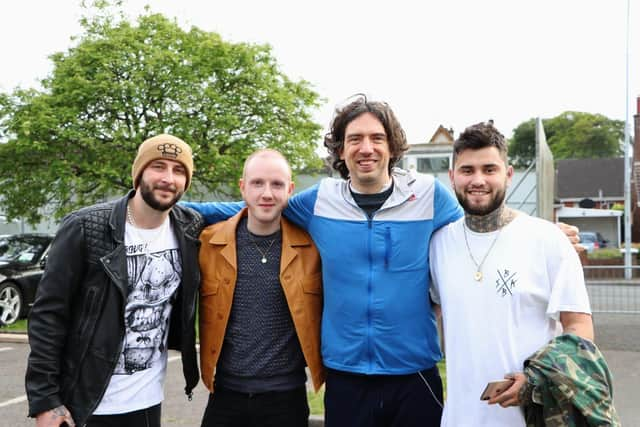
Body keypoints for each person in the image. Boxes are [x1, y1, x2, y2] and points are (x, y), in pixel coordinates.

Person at [184, 95, 581, 426]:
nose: (366, 147)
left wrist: (544, 234)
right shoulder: (319, 201)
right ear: (340, 149)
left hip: (414, 376)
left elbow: (484, 221)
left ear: (393, 147)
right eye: (354, 138)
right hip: (345, 375)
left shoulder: (428, 196)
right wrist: (173, 211)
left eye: (377, 137)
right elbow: (257, 203)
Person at [429, 121, 613, 426]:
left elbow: (579, 327)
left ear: (509, 174)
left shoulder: (547, 240)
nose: (478, 180)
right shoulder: (438, 245)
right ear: (451, 177)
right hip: (460, 418)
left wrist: (535, 380)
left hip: (531, 417)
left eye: (489, 169)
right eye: (467, 170)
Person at [25, 134, 203, 427]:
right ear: (139, 173)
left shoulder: (189, 226)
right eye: (158, 166)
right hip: (83, 404)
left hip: (147, 401)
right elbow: (47, 315)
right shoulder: (86, 226)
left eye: (179, 170)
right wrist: (45, 400)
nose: (168, 178)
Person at [198, 149, 324, 427]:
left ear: (290, 189)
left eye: (277, 184)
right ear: (242, 187)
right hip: (225, 393)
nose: (267, 193)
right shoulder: (208, 243)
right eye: (257, 183)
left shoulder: (312, 247)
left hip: (286, 398)